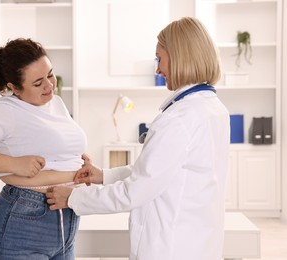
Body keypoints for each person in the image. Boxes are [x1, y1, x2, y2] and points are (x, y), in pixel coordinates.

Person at [46, 17, 230, 260]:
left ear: (180, 56)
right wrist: (105, 175)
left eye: (159, 58)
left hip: (170, 249)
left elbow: (137, 191)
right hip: (197, 244)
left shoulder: (179, 119)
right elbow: (162, 171)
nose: (157, 69)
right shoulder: (213, 109)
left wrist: (73, 198)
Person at [0, 38, 88, 260]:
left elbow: (57, 150)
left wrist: (82, 164)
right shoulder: (5, 111)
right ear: (14, 88)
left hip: (65, 221)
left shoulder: (56, 103)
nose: (49, 85)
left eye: (50, 74)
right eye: (38, 83)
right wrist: (14, 164)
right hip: (22, 227)